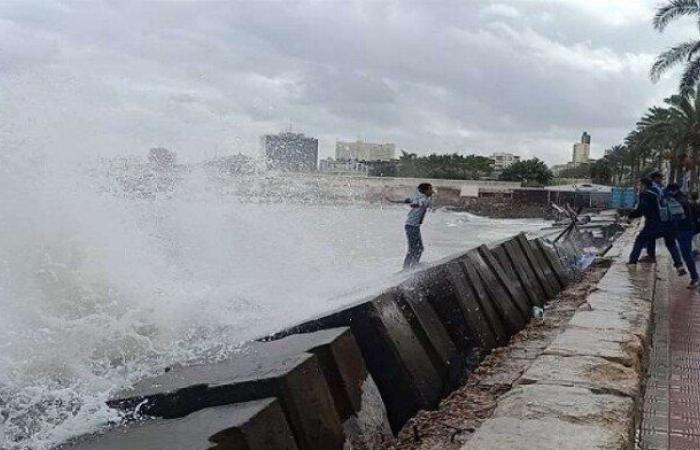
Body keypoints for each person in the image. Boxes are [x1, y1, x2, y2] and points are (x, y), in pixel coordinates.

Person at [628, 177, 685, 275]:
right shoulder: (659, 191)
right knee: (671, 244)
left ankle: (632, 262)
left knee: (640, 239)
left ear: (644, 185)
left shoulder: (645, 194)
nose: (639, 187)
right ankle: (679, 266)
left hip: (654, 224)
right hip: (668, 223)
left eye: (639, 185)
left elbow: (641, 209)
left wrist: (630, 216)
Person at [391, 183, 434, 270]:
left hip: (414, 226)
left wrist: (394, 201)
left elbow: (411, 201)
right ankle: (409, 268)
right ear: (425, 191)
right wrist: (393, 201)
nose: (432, 191)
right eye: (430, 189)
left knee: (418, 249)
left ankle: (411, 266)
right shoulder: (423, 199)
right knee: (415, 249)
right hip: (411, 226)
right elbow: (416, 203)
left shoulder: (425, 198)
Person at [666, 183, 699, 288]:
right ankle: (680, 266)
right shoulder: (684, 199)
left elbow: (677, 217)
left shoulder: (679, 201)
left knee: (686, 254)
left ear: (672, 191)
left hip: (683, 230)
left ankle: (695, 278)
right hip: (686, 230)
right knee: (672, 244)